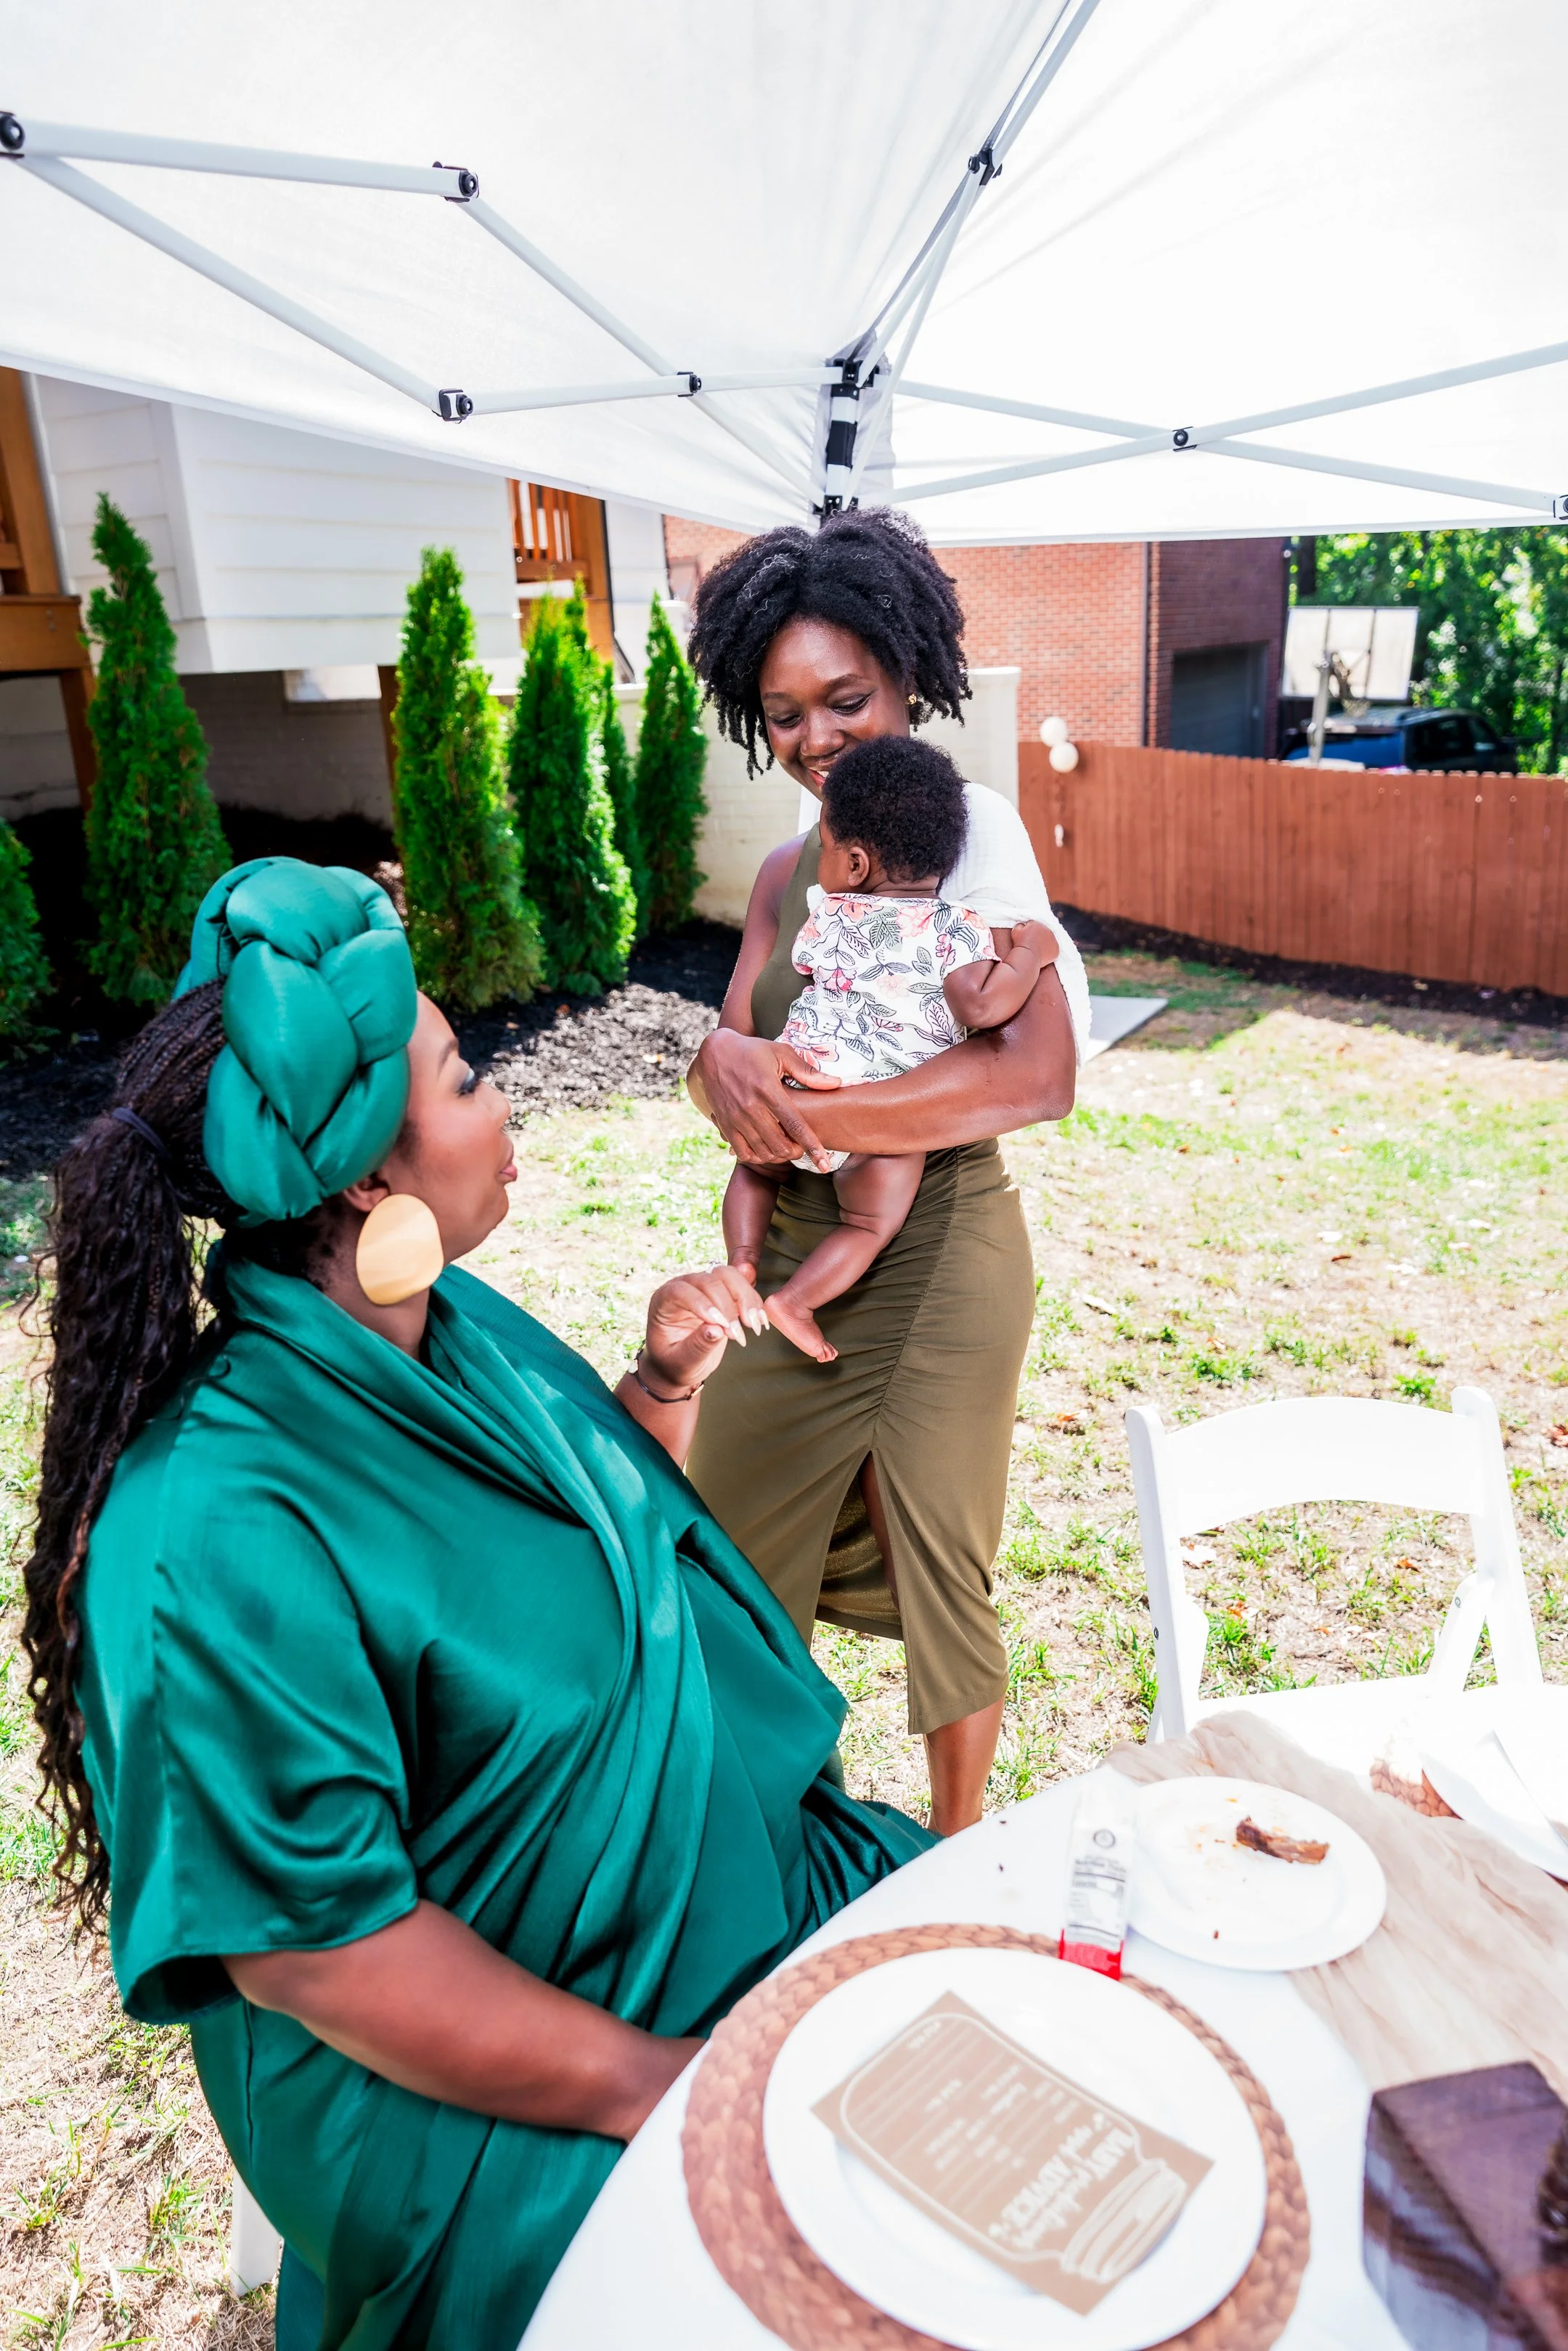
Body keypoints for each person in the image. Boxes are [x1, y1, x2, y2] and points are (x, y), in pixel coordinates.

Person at [20, 857, 935, 2351]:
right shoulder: (212, 1527)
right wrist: (662, 2078)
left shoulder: (449, 1319)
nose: (504, 1100)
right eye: (465, 1076)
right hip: (469, 2086)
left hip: (701, 1894)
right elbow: (326, 1950)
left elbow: (561, 1566)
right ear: (370, 1174)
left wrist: (654, 1385)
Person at [685, 508, 1091, 1836]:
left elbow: (1035, 1076)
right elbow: (739, 1051)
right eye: (785, 710)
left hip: (933, 1242)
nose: (815, 737)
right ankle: (783, 1824)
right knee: (731, 1537)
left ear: (908, 677)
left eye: (845, 698)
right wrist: (717, 1064)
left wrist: (828, 1102)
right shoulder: (778, 868)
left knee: (936, 1563)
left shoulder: (964, 834)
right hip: (797, 1241)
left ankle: (957, 1849)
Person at [724, 734, 1055, 1362]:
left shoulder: (829, 914)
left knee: (752, 1167)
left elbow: (802, 964)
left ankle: (743, 1261)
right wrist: (1031, 953)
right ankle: (795, 1301)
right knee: (869, 1224)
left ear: (853, 865)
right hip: (881, 1116)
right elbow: (983, 1005)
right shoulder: (959, 927)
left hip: (800, 1086)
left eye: (824, 849)